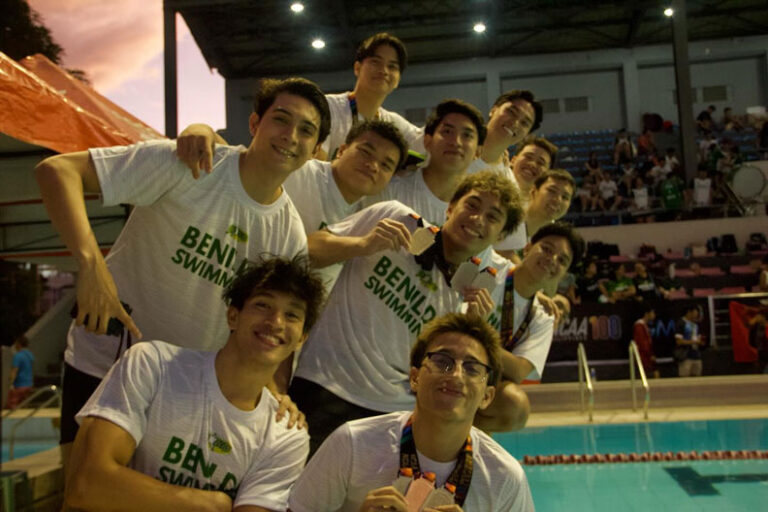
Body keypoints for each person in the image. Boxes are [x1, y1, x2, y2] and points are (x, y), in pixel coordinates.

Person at [35, 77, 330, 456]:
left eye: (306, 130)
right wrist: (92, 266)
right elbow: (57, 171)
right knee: (82, 482)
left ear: (316, 150)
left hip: (186, 388)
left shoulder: (287, 234)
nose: (290, 136)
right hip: (106, 360)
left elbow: (266, 325)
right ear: (255, 123)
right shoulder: (189, 164)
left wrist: (275, 393)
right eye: (281, 119)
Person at [65, 257, 325, 512]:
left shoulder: (287, 435)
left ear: (301, 339)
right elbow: (87, 485)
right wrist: (212, 504)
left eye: (291, 315)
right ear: (233, 316)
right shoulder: (153, 365)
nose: (276, 322)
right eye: (263, 305)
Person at [291, 171, 524, 452]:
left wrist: (472, 329)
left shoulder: (466, 295)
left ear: (501, 236)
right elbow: (307, 251)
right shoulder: (397, 219)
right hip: (326, 385)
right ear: (450, 207)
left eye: (492, 217)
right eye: (472, 205)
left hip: (394, 413)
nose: (477, 218)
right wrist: (362, 245)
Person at [287, 313, 534, 511]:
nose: (456, 374)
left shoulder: (505, 478)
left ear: (487, 397)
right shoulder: (353, 444)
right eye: (442, 361)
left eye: (472, 368)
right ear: (415, 378)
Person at [177, 119, 409, 291]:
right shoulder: (298, 170)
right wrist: (203, 131)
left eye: (386, 165)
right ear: (342, 150)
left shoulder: (368, 216)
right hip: (216, 278)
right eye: (366, 152)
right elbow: (240, 162)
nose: (373, 166)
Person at [475, 221, 584, 432]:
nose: (552, 259)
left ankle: (460, 432)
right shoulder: (490, 266)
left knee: (515, 406)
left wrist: (475, 334)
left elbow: (518, 371)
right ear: (527, 248)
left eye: (562, 261)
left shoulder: (543, 317)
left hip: (478, 379)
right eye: (547, 249)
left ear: (564, 274)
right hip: (445, 359)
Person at [364, 99, 486, 225]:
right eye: (447, 132)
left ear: (478, 151)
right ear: (427, 141)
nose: (456, 142)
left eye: (467, 135)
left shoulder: (478, 213)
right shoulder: (391, 190)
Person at [318, 32, 423, 160]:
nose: (384, 71)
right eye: (375, 62)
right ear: (357, 68)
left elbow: (427, 141)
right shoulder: (329, 108)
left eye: (392, 66)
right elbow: (314, 165)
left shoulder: (394, 124)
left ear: (398, 80)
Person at [466, 90, 542, 177]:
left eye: (524, 123)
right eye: (512, 112)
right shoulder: (458, 147)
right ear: (493, 110)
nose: (515, 123)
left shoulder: (507, 179)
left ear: (526, 135)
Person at [5, 335, 35, 409]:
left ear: (19, 344)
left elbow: (14, 371)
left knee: (11, 405)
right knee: (24, 407)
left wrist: (11, 384)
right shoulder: (30, 355)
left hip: (19, 385)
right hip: (29, 384)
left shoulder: (18, 356)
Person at [675, 305, 704, 377]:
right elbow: (679, 341)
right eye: (695, 313)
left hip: (696, 356)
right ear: (689, 312)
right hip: (686, 356)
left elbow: (698, 338)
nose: (696, 315)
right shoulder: (681, 323)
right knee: (685, 377)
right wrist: (694, 342)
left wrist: (700, 342)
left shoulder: (696, 324)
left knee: (697, 377)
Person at [633, 305, 659, 378]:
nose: (654, 315)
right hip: (643, 357)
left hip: (647, 356)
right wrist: (649, 355)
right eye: (652, 313)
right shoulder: (639, 326)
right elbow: (642, 343)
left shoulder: (645, 325)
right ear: (647, 314)